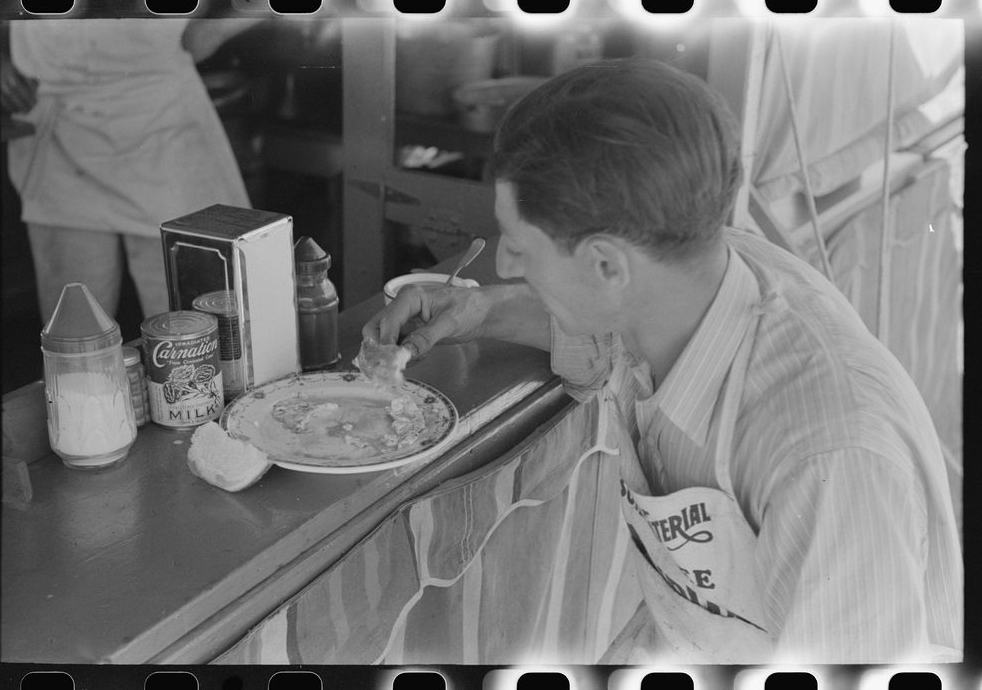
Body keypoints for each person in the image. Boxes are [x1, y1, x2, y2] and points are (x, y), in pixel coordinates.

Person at [362, 58, 963, 663]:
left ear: (606, 266)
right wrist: (478, 311)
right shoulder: (680, 281)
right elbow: (603, 337)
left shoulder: (826, 457)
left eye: (518, 247)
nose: (509, 266)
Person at [1, 18, 258, 323]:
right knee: (74, 331)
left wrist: (224, 23)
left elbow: (202, 35)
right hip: (57, 125)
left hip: (164, 124)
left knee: (197, 327)